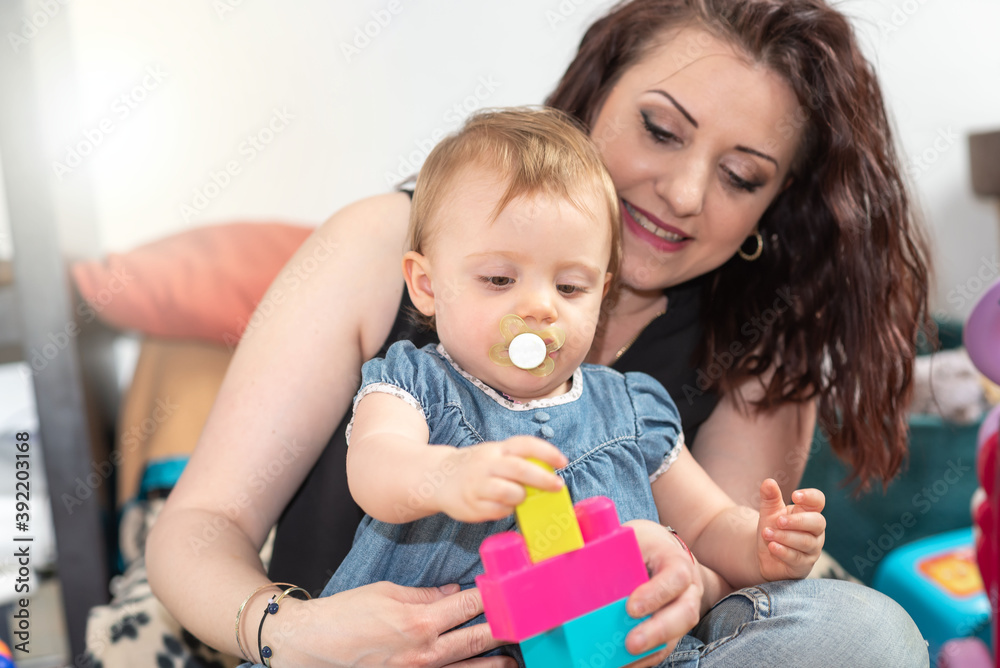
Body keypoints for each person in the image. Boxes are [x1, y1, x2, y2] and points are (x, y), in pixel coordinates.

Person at [148, 1, 932, 666]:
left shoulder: (739, 351)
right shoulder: (385, 260)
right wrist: (292, 633)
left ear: (776, 203)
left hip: (591, 649)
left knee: (866, 633)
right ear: (595, 96)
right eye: (661, 130)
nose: (687, 193)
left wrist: (687, 582)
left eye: (741, 176)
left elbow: (719, 547)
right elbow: (204, 525)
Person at [320, 107, 826, 667]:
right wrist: (447, 474)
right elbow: (376, 465)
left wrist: (763, 544)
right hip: (424, 654)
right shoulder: (415, 383)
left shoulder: (630, 411)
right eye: (499, 279)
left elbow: (707, 524)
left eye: (569, 287)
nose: (540, 306)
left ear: (601, 295)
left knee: (840, 627)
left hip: (602, 653)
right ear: (426, 284)